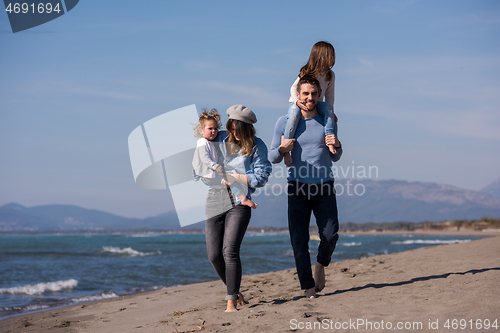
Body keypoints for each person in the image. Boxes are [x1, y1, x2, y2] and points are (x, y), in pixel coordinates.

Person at [270, 76, 343, 299]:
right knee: (299, 240)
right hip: (297, 187)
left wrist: (337, 145)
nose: (310, 98)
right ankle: (308, 287)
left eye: (314, 94)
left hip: (324, 186)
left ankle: (320, 265)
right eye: (305, 94)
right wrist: (283, 149)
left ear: (319, 95)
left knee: (330, 235)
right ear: (298, 96)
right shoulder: (284, 122)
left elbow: (336, 156)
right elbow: (272, 156)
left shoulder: (327, 120)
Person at [203, 105, 271, 312]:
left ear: (248, 129)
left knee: (229, 251)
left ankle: (231, 301)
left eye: (238, 130)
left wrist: (234, 178)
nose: (234, 134)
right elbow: (201, 156)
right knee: (214, 255)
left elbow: (261, 177)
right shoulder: (219, 138)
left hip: (240, 202)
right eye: (231, 129)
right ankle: (235, 290)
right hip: (214, 199)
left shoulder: (258, 146)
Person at [283, 41, 337, 166]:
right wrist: (296, 101)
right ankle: (286, 147)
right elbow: (293, 88)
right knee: (293, 117)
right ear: (321, 56)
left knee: (328, 110)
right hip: (298, 102)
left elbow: (330, 95)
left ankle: (329, 139)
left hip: (317, 102)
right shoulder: (307, 72)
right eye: (331, 55)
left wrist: (331, 112)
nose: (333, 58)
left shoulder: (330, 75)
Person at [192, 108, 257, 209]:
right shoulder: (202, 143)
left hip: (210, 174)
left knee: (229, 179)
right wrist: (214, 166)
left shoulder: (210, 142)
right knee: (230, 178)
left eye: (215, 129)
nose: (214, 131)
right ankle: (243, 199)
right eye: (210, 129)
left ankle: (240, 199)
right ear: (201, 130)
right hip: (209, 174)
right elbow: (204, 158)